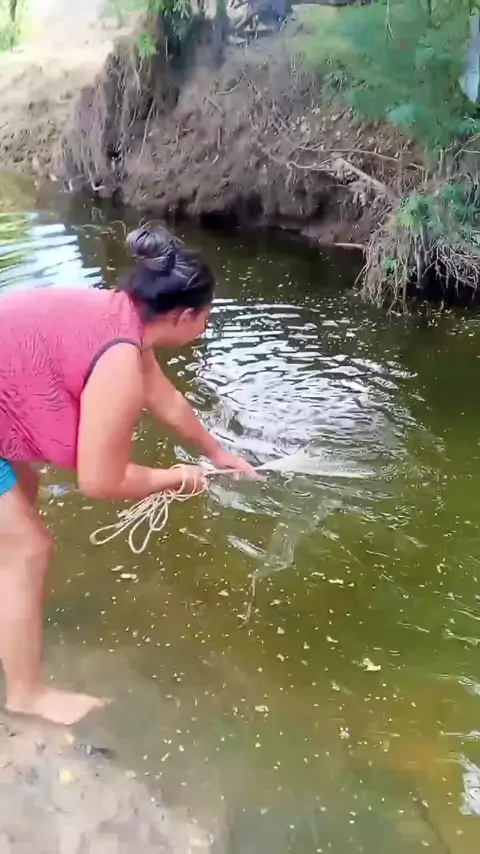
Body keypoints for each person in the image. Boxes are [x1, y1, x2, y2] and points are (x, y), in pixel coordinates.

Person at [0, 225, 256, 726]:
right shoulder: (117, 360)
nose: (204, 328)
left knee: (21, 499)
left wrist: (216, 452)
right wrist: (175, 478)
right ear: (184, 316)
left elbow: (166, 399)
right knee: (28, 549)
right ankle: (25, 695)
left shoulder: (120, 317)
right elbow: (101, 480)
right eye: (205, 318)